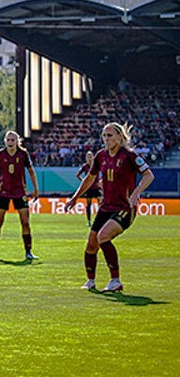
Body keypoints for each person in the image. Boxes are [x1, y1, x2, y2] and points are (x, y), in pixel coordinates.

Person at [65, 123, 153, 292]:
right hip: (105, 207)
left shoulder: (129, 156)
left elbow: (149, 175)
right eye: (104, 136)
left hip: (125, 208)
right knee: (91, 244)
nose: (106, 139)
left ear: (120, 137)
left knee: (103, 236)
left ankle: (115, 280)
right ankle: (90, 281)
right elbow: (89, 178)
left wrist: (136, 193)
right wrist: (75, 198)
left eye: (110, 135)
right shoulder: (101, 156)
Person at [0, 131, 40, 261]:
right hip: (4, 191)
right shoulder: (0, 154)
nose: (10, 142)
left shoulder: (23, 154)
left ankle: (28, 252)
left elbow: (31, 171)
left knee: (25, 222)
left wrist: (36, 189)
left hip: (20, 192)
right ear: (5, 141)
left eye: (13, 140)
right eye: (8, 140)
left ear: (17, 142)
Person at [76, 150, 100, 228]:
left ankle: (101, 220)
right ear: (86, 158)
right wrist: (83, 181)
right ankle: (89, 221)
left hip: (96, 187)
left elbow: (104, 172)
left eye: (90, 156)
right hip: (89, 188)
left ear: (93, 157)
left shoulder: (96, 164)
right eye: (88, 156)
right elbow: (78, 175)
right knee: (89, 205)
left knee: (101, 203)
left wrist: (100, 181)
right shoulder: (85, 166)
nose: (89, 157)